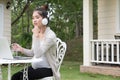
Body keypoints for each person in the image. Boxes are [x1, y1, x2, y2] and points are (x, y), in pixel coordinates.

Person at [11, 4, 60, 80]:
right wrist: (21, 49)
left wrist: (36, 35)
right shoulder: (36, 33)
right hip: (35, 67)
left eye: (37, 17)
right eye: (33, 18)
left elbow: (38, 54)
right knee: (15, 77)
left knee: (23, 77)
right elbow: (33, 53)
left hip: (48, 69)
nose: (34, 20)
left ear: (45, 20)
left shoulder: (50, 36)